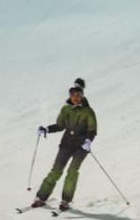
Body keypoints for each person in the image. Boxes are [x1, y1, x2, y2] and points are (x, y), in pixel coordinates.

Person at [32, 77, 97, 212]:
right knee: (56, 170)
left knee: (72, 171)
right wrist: (47, 129)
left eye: (78, 95)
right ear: (70, 96)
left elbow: (92, 130)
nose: (75, 98)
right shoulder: (65, 109)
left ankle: (65, 200)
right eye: (73, 95)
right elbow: (60, 126)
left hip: (81, 147)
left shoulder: (88, 112)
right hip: (66, 144)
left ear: (82, 96)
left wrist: (88, 141)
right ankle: (41, 197)